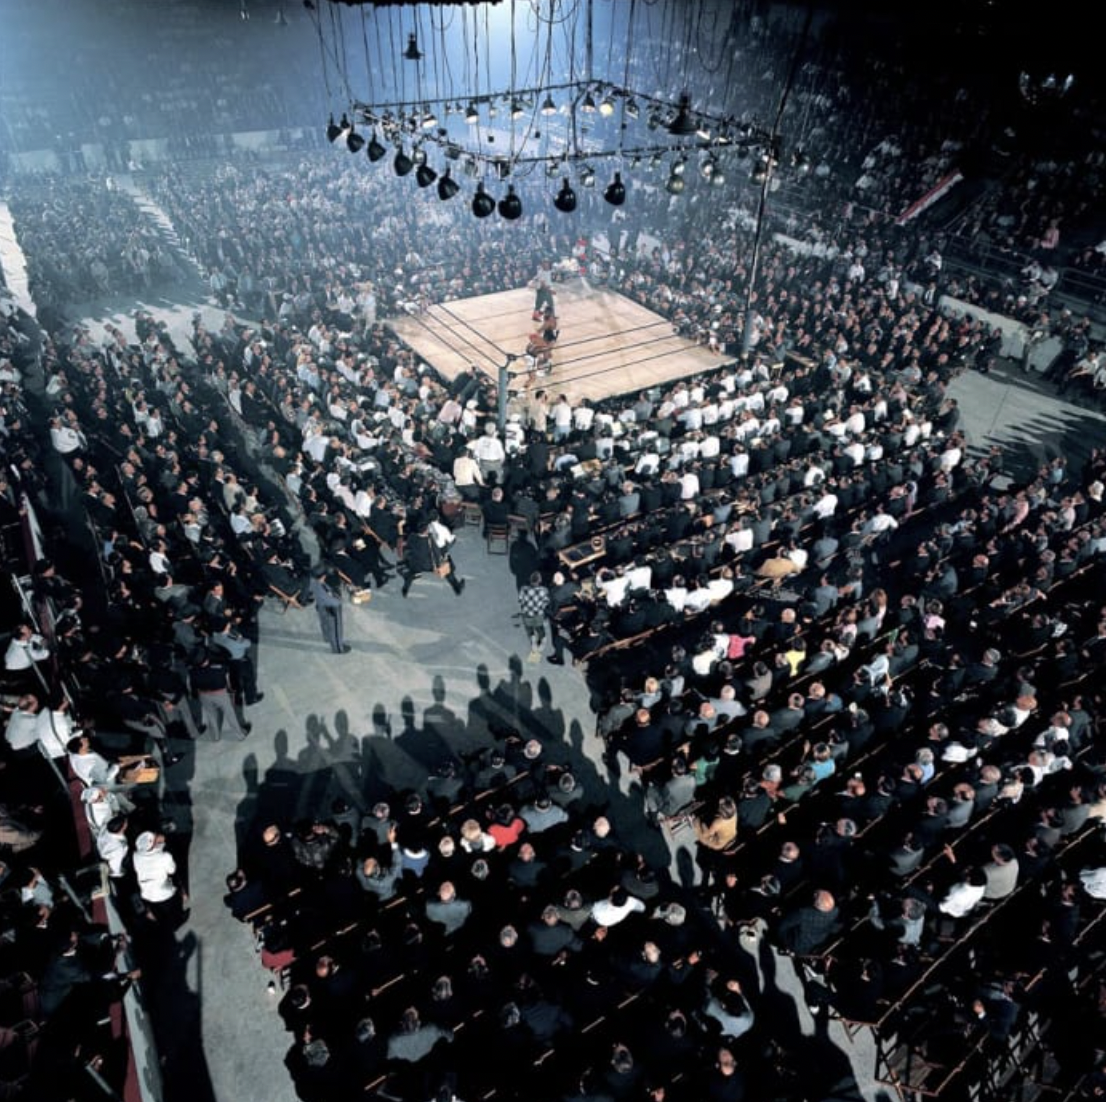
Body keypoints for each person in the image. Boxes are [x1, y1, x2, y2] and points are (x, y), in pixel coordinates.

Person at [309, 566, 351, 654]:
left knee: (324, 622)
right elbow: (333, 596)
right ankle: (338, 648)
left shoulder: (312, 581)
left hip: (321, 605)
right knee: (335, 627)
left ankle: (327, 637)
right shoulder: (322, 584)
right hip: (332, 606)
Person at [518, 572, 551, 658]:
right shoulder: (544, 590)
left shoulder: (523, 589)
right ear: (539, 580)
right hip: (538, 614)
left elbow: (521, 600)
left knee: (529, 629)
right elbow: (546, 602)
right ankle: (540, 644)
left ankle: (533, 639)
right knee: (540, 629)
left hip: (527, 613)